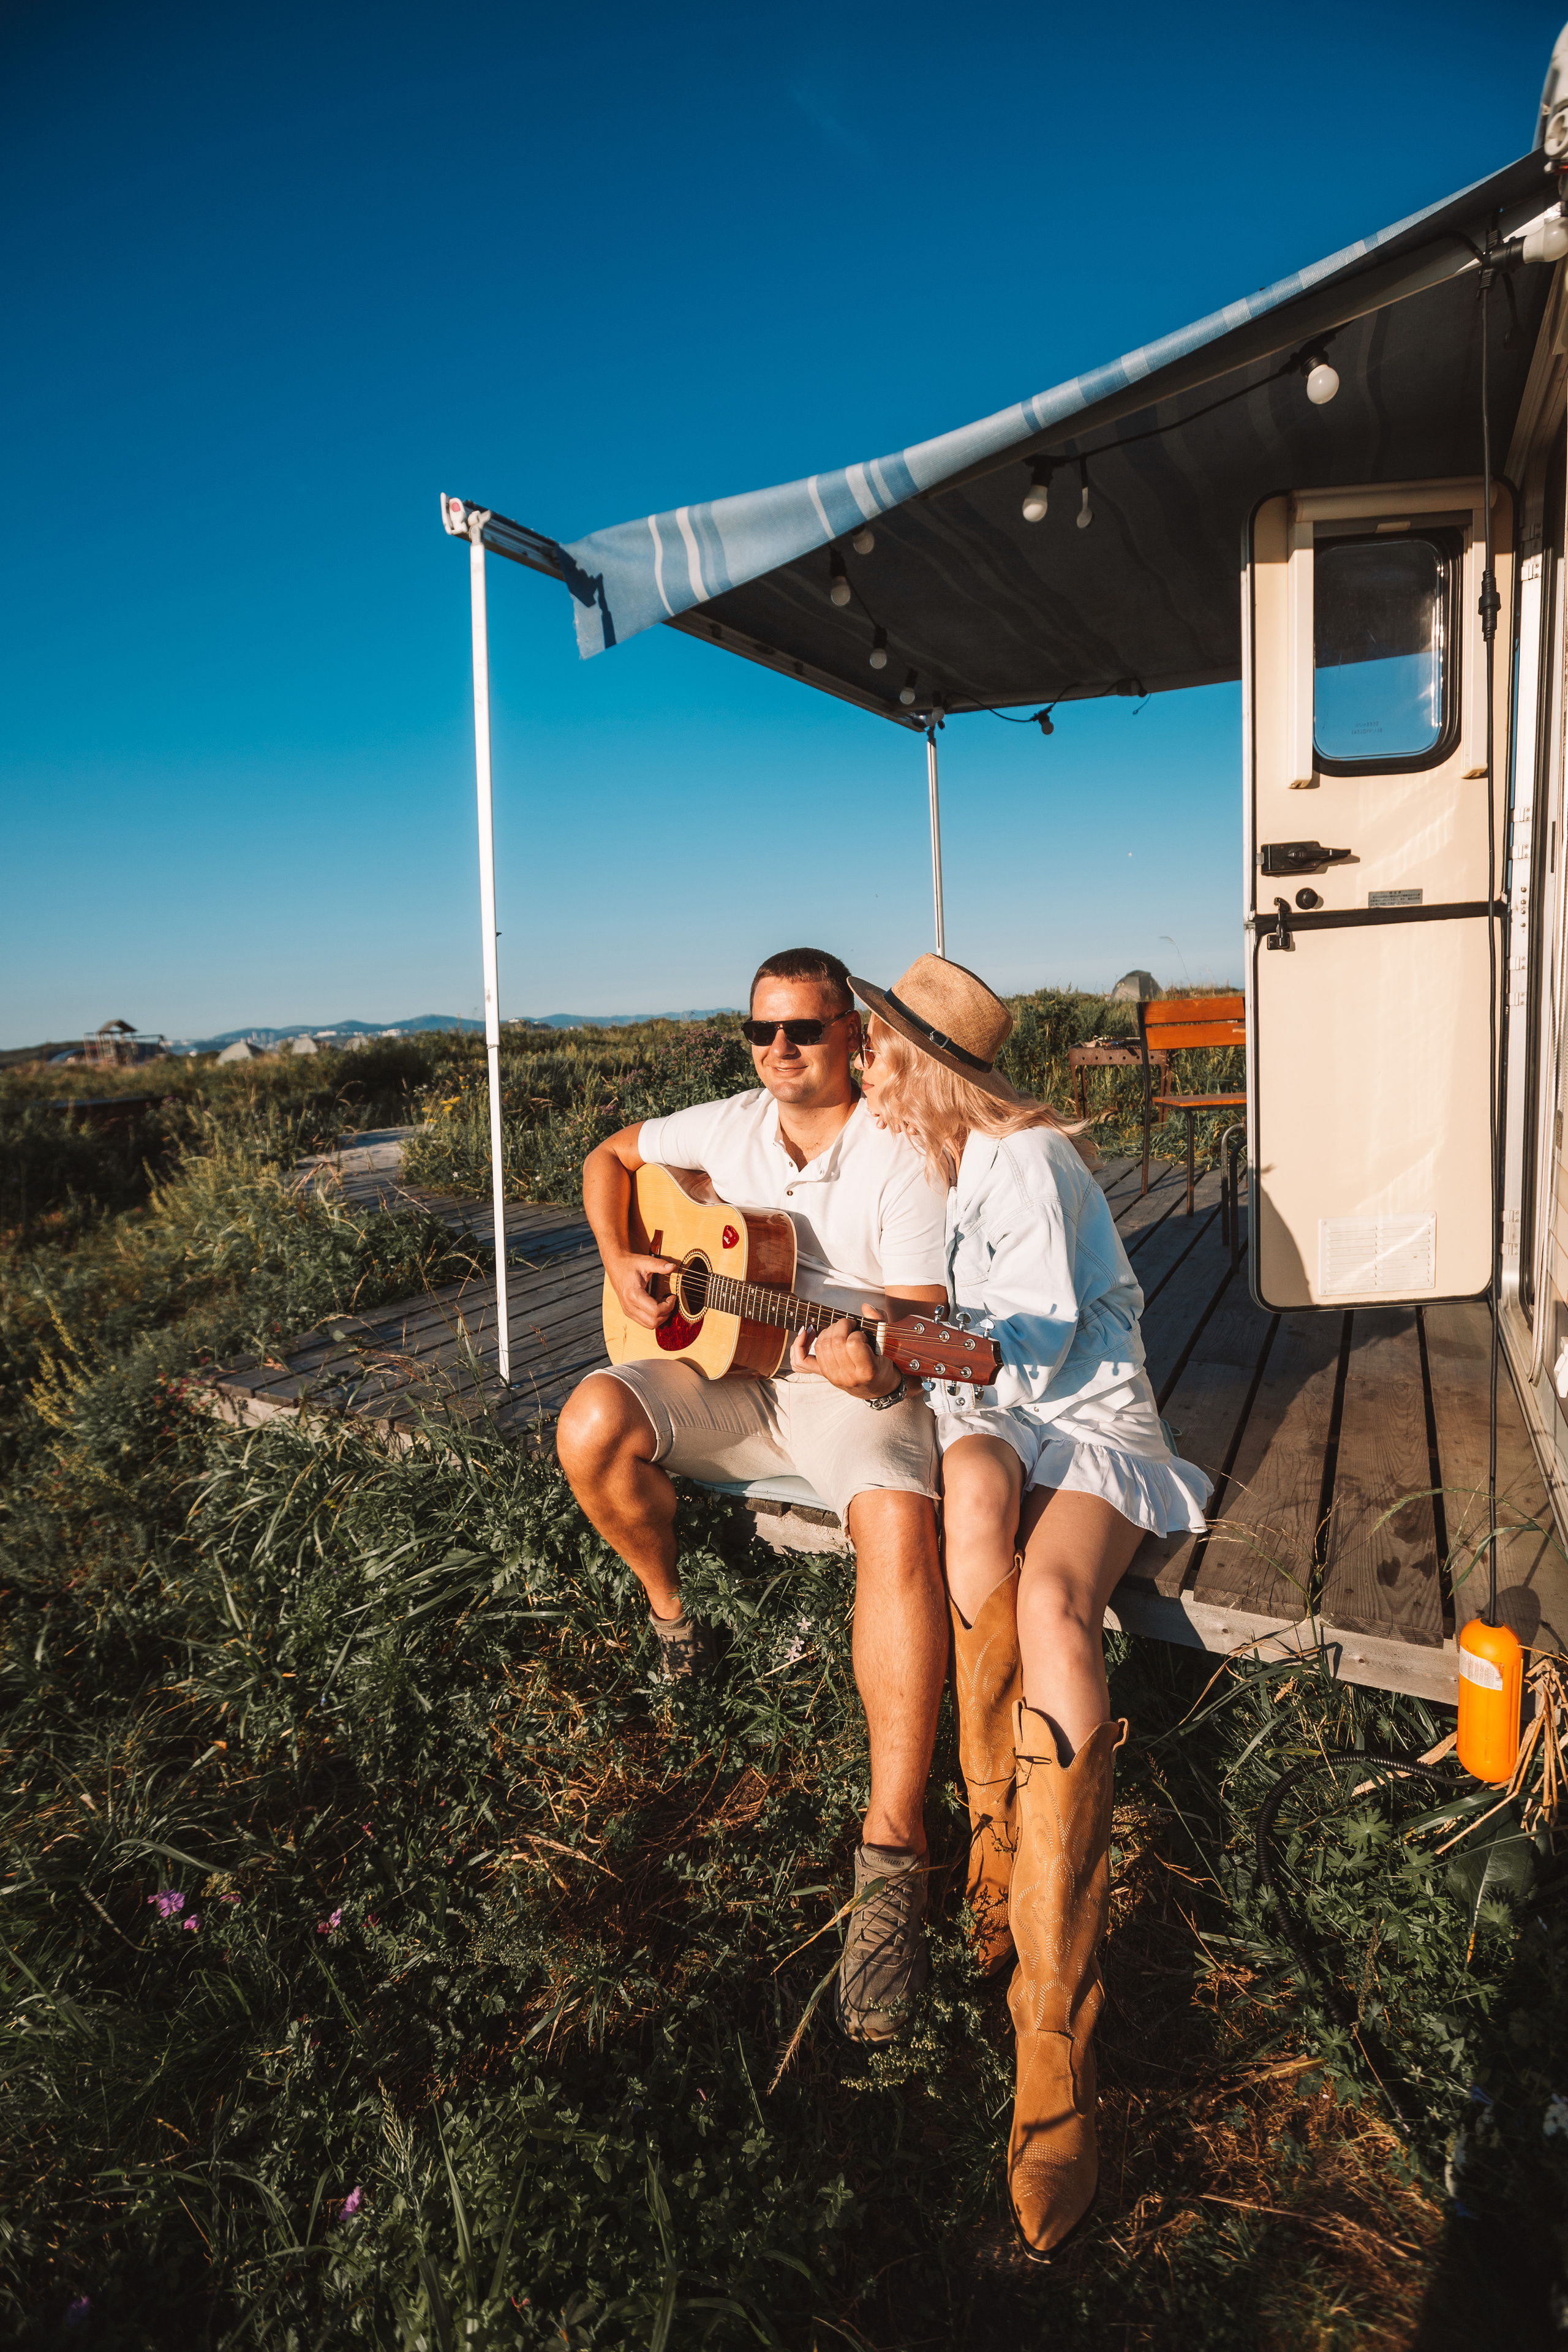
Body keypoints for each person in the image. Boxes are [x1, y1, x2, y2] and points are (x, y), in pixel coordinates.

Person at [803, 953, 1210, 2261]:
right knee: (963, 1494)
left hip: (1088, 1428)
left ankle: (1054, 2024)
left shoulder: (1025, 1165)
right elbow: (969, 1382)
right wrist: (880, 1369)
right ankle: (992, 1840)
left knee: (1045, 1602)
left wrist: (896, 1359)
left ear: (923, 1063)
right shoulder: (948, 1162)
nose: (859, 1062)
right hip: (1005, 1426)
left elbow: (1018, 1347)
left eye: (872, 1047)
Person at [556, 947, 951, 2044]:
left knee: (896, 1530)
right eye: (761, 1032)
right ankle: (673, 1615)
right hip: (724, 1374)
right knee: (589, 1421)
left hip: (843, 1383)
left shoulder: (902, 1155)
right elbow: (607, 1155)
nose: (779, 1052)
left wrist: (875, 1364)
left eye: (805, 1032)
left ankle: (891, 1853)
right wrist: (622, 1255)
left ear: (854, 1038)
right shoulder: (725, 1124)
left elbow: (915, 1323)